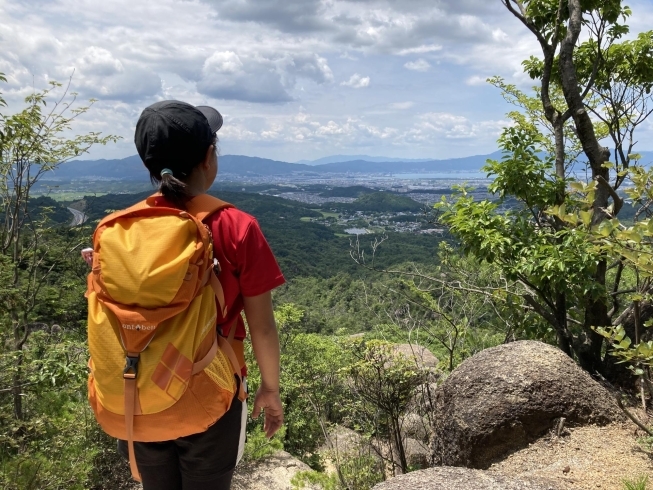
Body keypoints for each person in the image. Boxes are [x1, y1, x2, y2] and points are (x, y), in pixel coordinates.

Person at [111, 100, 285, 489]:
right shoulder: (237, 227)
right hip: (211, 394)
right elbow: (263, 328)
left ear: (148, 166)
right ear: (210, 158)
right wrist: (270, 390)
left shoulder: (122, 229)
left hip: (137, 394)